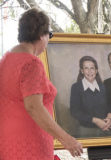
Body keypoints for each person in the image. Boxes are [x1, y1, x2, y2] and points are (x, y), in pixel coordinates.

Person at [0, 8, 82, 159]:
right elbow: (33, 106)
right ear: (41, 35)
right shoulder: (31, 63)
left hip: (7, 143)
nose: (49, 40)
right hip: (28, 145)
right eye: (49, 35)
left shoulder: (5, 60)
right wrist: (67, 139)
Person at [70, 56, 111, 137]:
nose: (89, 71)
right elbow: (74, 111)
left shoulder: (103, 87)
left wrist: (110, 119)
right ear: (82, 71)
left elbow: (110, 106)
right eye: (86, 68)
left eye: (92, 68)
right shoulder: (76, 87)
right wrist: (95, 120)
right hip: (86, 131)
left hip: (105, 129)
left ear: (96, 70)